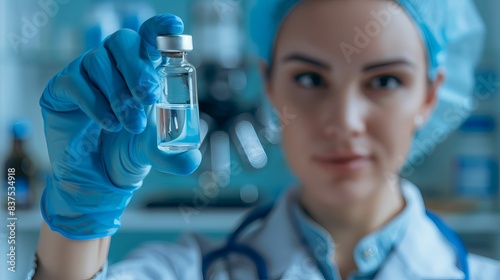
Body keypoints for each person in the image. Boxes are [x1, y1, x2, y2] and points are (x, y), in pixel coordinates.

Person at [29, 0, 500, 279]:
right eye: (311, 80)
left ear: (430, 95)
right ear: (269, 86)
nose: (344, 121)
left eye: (385, 82)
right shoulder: (190, 269)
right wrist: (78, 228)